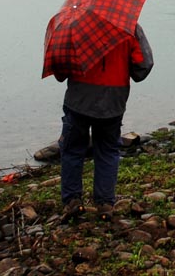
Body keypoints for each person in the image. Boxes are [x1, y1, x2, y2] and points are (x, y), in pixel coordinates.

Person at [59, 23, 154, 222]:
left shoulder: (74, 27)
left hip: (79, 99)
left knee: (72, 149)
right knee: (108, 150)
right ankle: (104, 204)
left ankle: (72, 201)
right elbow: (143, 66)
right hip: (113, 99)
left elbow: (60, 70)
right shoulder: (129, 27)